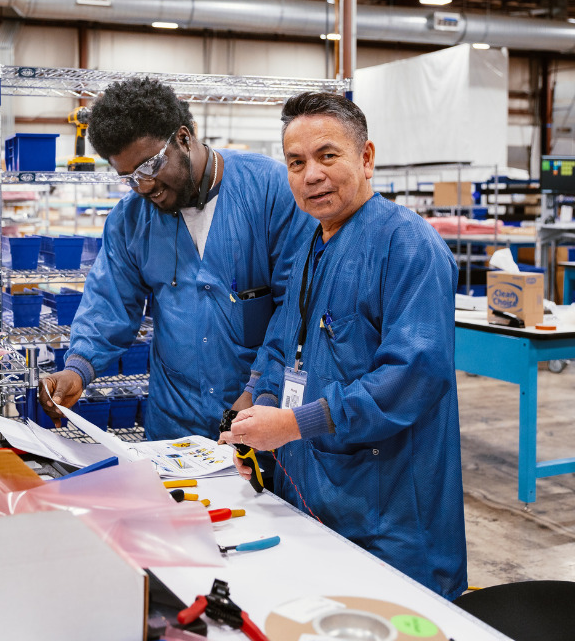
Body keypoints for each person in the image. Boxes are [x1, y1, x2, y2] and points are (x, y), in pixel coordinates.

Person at [221, 91, 467, 599]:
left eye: (327, 156)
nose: (311, 174)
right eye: (296, 162)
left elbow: (412, 374)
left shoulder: (409, 247)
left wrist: (291, 424)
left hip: (390, 514)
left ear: (366, 157)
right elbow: (284, 342)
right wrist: (258, 410)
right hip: (318, 494)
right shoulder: (313, 245)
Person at [38, 77, 313, 440]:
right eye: (129, 177)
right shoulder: (131, 220)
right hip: (173, 426)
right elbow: (109, 304)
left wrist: (259, 387)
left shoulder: (270, 191)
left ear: (183, 138)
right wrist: (77, 370)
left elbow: (295, 308)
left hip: (257, 419)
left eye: (150, 166)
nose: (144, 186)